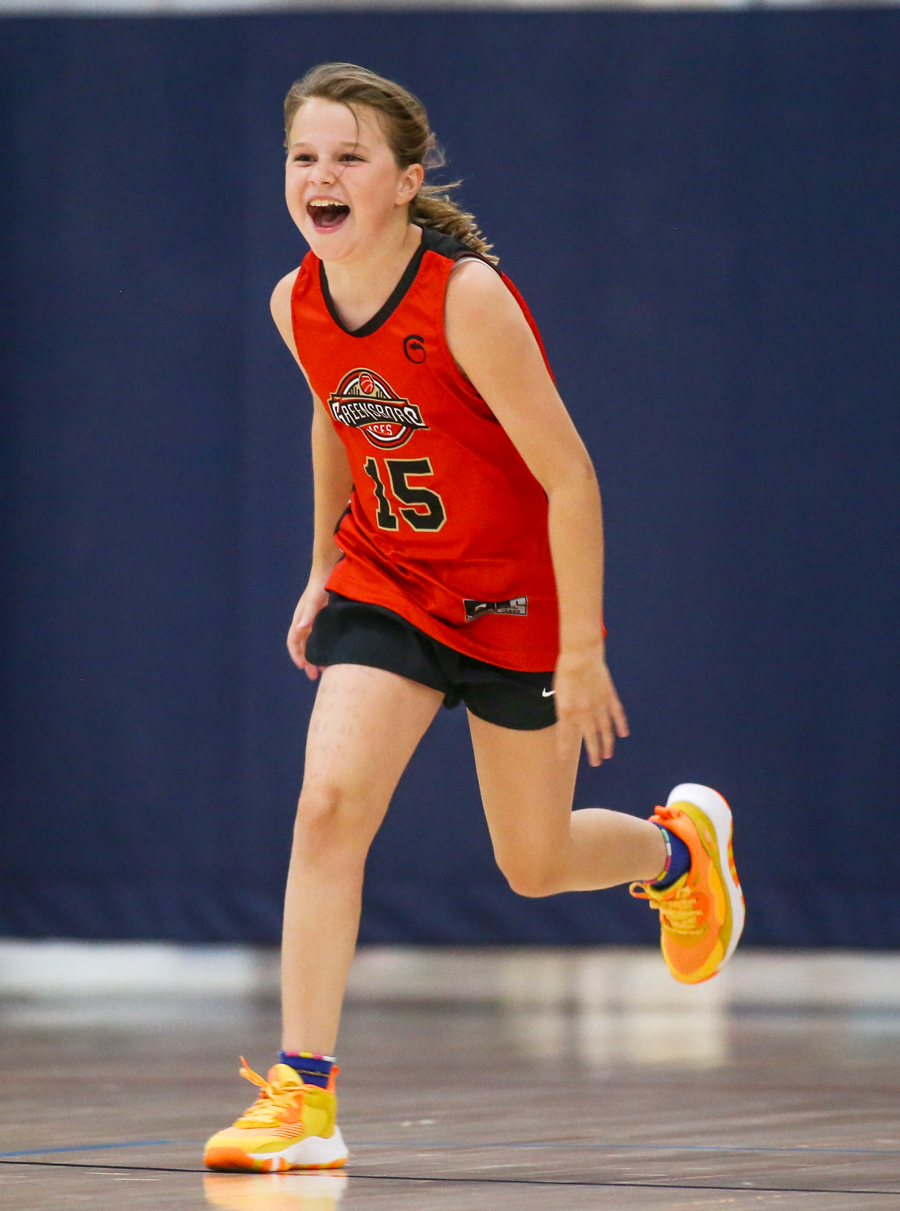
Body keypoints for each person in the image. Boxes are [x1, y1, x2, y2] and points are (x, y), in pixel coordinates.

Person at [203, 62, 744, 1175]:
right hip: (389, 579)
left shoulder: (466, 298)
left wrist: (583, 646)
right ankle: (302, 1097)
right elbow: (335, 415)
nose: (322, 175)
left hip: (511, 599)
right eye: (305, 156)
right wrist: (320, 565)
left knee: (533, 863)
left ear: (404, 182)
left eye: (349, 156)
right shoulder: (294, 297)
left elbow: (573, 478)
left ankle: (677, 853)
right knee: (327, 809)